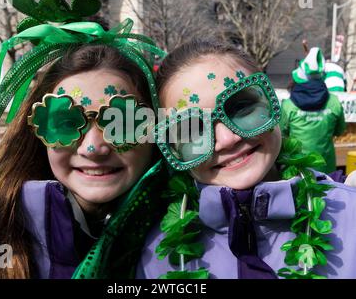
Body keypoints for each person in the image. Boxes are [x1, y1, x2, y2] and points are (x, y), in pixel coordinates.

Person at [0, 0, 167, 279]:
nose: (93, 148)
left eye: (122, 122)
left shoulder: (199, 238)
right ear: (35, 131)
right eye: (66, 122)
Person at [137, 39, 356, 279]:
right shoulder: (157, 255)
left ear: (272, 100)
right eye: (191, 129)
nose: (228, 139)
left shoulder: (350, 214)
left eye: (241, 107)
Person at [281, 47, 345, 174]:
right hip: (326, 171)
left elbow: (282, 134)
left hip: (298, 171)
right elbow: (340, 130)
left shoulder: (288, 105)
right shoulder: (334, 102)